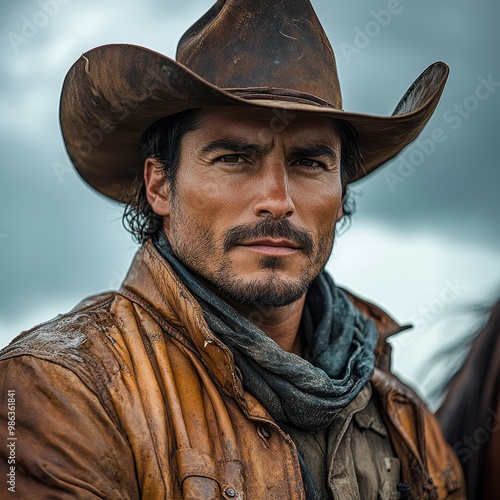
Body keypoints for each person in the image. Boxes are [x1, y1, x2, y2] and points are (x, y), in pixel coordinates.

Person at [0, 0, 464, 498]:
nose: (278, 201)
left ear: (341, 193)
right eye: (234, 157)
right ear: (159, 186)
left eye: (310, 163)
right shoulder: (61, 387)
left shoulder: (402, 417)